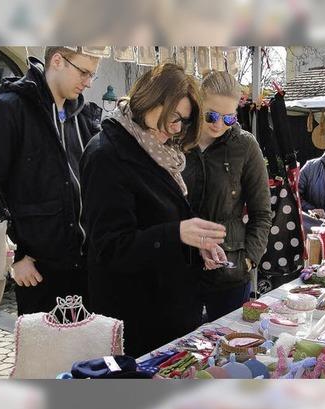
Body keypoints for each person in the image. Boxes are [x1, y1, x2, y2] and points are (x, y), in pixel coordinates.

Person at [80, 63, 228, 357]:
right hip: (136, 325)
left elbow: (160, 221)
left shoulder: (157, 151)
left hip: (169, 315)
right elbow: (111, 248)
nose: (176, 129)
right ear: (149, 100)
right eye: (174, 117)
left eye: (183, 121)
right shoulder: (106, 155)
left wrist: (196, 247)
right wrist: (177, 233)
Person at [0, 47, 102, 315]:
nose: (88, 81)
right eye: (84, 72)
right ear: (57, 60)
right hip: (37, 268)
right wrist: (15, 255)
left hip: (85, 264)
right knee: (46, 353)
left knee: (88, 350)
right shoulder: (9, 108)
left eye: (93, 75)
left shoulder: (84, 116)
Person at [182, 71, 271, 322]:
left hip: (229, 270)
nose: (218, 124)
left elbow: (262, 212)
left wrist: (249, 260)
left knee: (229, 347)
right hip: (180, 269)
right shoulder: (178, 139)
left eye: (229, 118)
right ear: (198, 103)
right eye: (212, 115)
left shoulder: (244, 146)